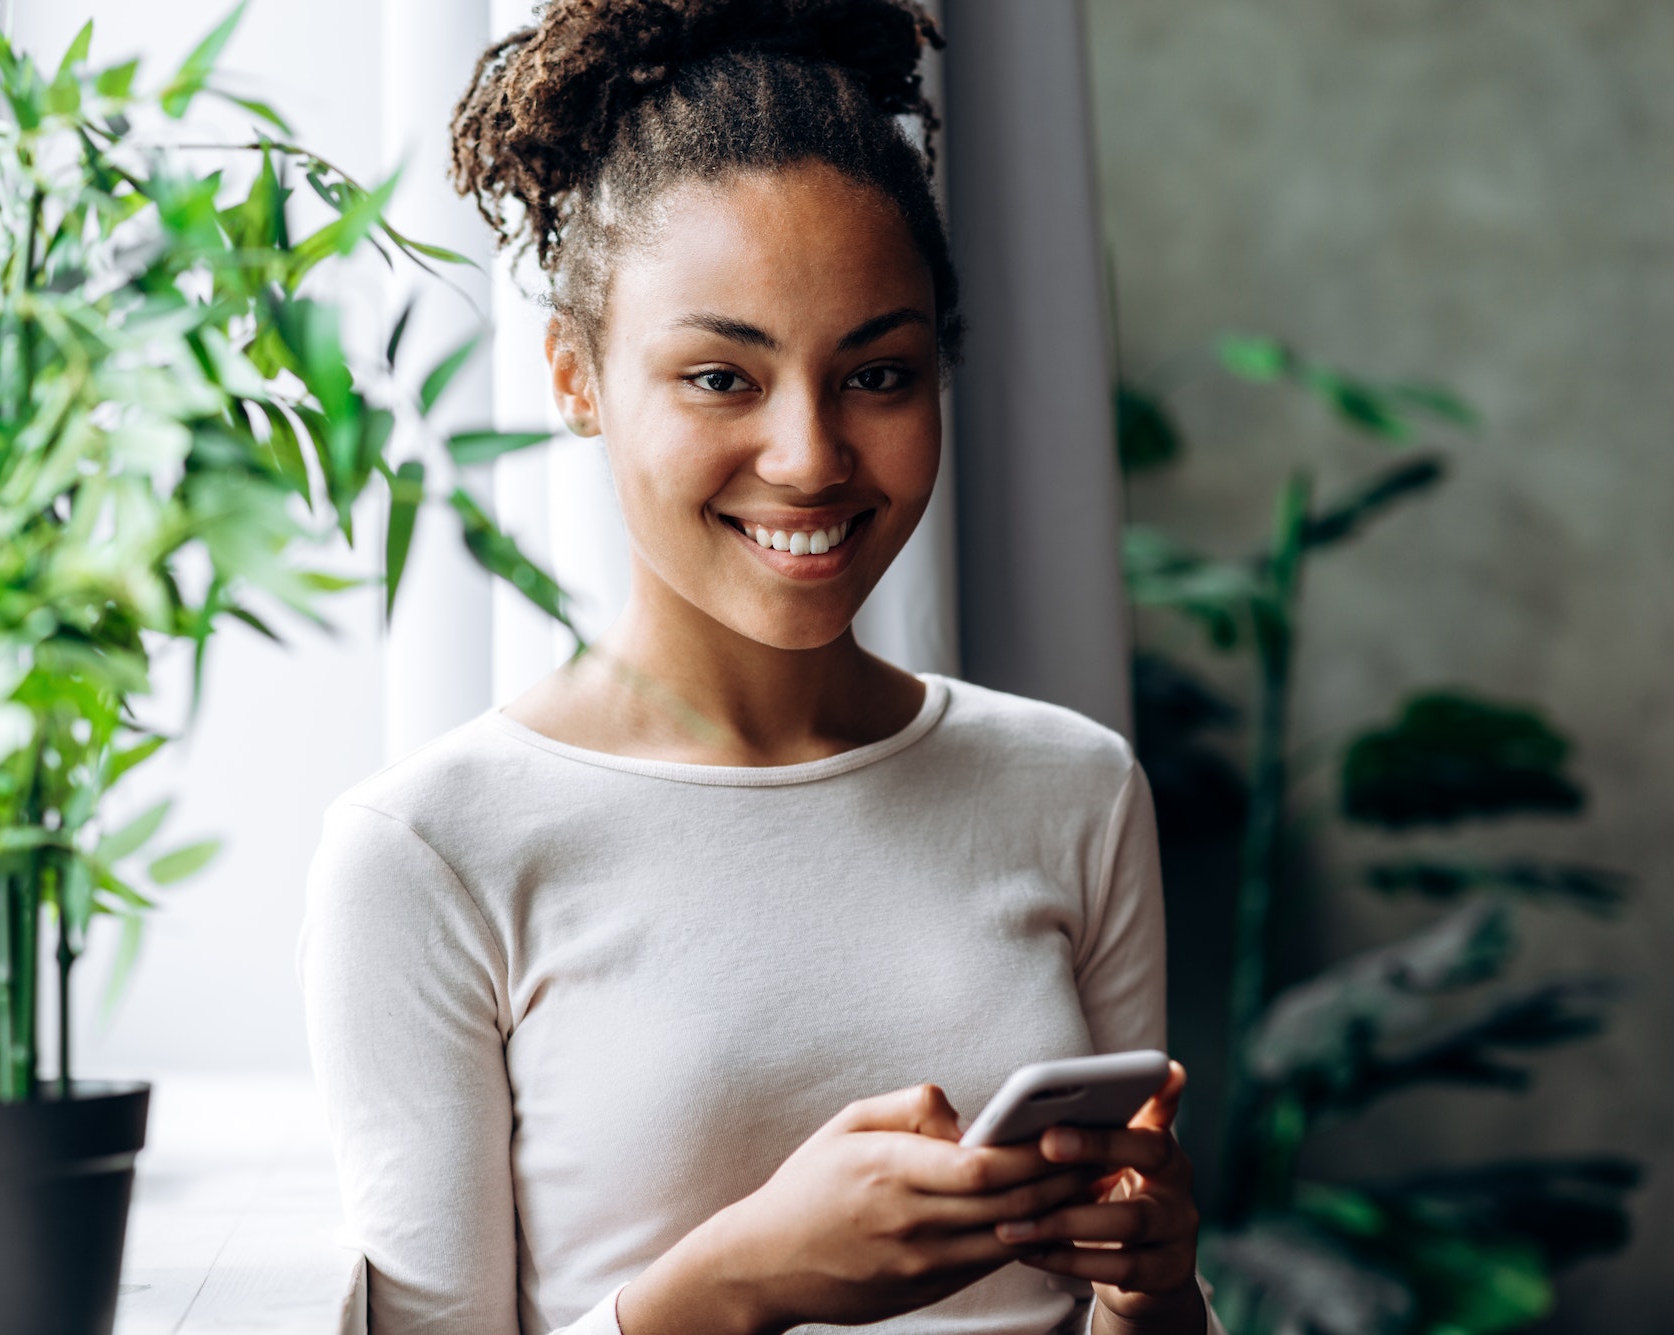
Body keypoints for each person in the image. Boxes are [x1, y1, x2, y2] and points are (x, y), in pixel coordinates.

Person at [299, 3, 1216, 1331]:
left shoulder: (1072, 789)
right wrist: (734, 1290)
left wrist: (1156, 1290)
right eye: (722, 377)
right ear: (575, 373)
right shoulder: (429, 855)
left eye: (879, 374)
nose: (810, 457)